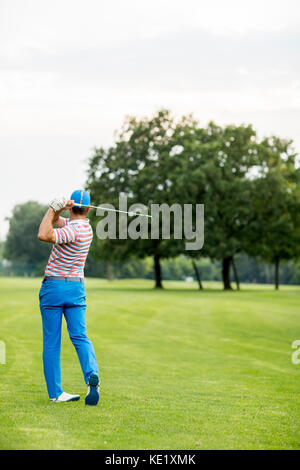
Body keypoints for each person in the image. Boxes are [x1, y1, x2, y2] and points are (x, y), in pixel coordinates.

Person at [37, 190, 99, 405]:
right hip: (76, 289)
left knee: (52, 341)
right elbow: (60, 223)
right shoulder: (87, 229)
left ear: (73, 207)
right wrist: (59, 211)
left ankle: (55, 393)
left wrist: (53, 207)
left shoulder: (72, 231)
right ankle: (92, 376)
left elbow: (44, 234)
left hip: (54, 287)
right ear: (88, 209)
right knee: (80, 336)